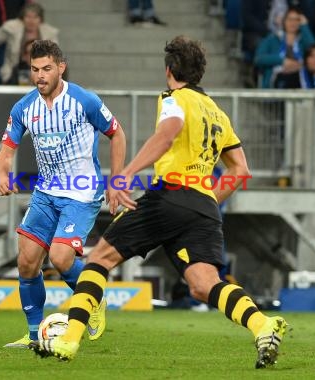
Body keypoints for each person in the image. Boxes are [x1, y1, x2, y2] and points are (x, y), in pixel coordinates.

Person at [31, 35, 289, 369]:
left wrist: (125, 174)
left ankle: (68, 340)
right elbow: (240, 170)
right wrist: (209, 198)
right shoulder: (217, 113)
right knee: (203, 285)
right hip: (202, 206)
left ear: (169, 70)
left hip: (169, 195)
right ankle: (262, 324)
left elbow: (167, 134)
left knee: (99, 261)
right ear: (200, 72)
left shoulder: (173, 98)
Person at [0, 40, 127, 348]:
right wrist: (3, 174)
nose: (40, 76)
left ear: (61, 68)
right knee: (27, 262)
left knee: (60, 256)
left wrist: (117, 180)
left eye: (46, 69)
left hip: (81, 193)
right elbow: (6, 151)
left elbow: (116, 133)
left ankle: (94, 298)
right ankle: (33, 337)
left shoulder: (84, 100)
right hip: (46, 192)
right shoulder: (25, 107)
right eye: (35, 70)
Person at [0, 2, 58, 84]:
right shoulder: (12, 28)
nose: (31, 21)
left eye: (35, 17)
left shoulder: (49, 33)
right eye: (28, 17)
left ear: (40, 19)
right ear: (22, 18)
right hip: (12, 74)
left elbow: (54, 57)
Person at [254, 7, 315, 88]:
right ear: (284, 21)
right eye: (290, 19)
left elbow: (314, 51)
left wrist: (305, 26)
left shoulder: (303, 39)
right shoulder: (272, 38)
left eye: (297, 20)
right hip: (276, 80)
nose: (293, 23)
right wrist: (282, 61)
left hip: (300, 80)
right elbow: (259, 58)